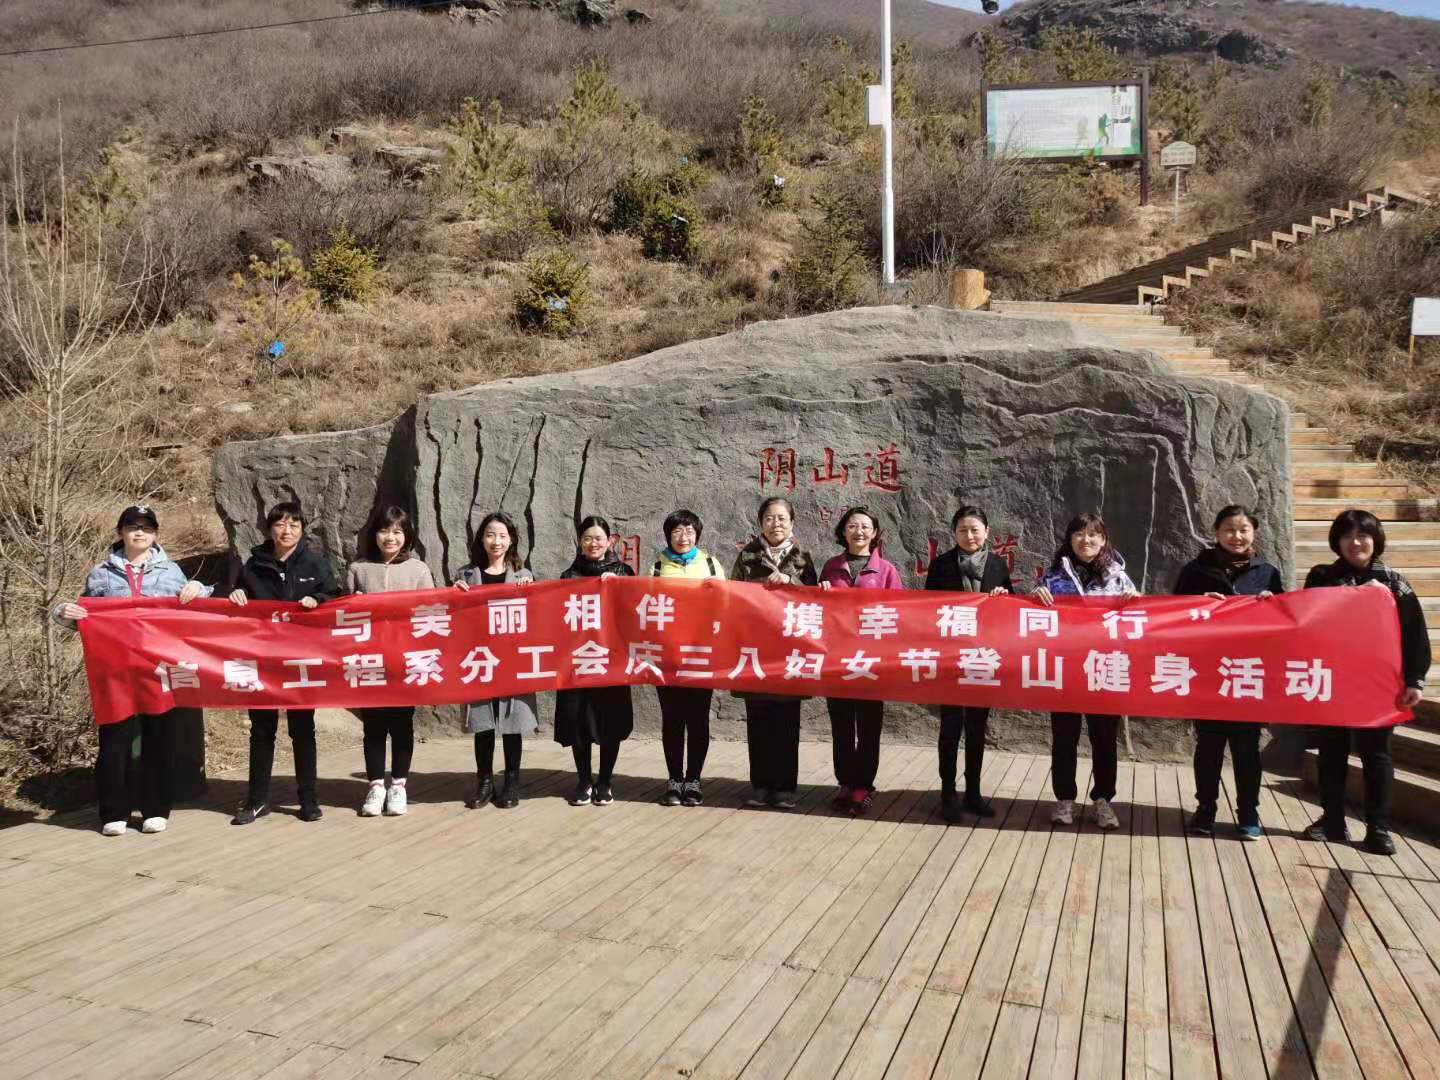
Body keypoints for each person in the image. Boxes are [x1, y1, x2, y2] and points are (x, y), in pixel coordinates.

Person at [55, 505, 210, 836]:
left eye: (146, 527)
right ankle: (114, 812)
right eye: (132, 526)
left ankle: (156, 809)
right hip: (115, 670)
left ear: (155, 534)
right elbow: (85, 616)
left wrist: (199, 587)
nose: (139, 532)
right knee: (115, 740)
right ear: (120, 532)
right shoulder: (101, 574)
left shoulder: (170, 571)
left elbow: (198, 607)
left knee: (159, 739)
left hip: (159, 668)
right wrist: (63, 612)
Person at [1303, 509, 1430, 855]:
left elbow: (1415, 635)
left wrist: (1415, 680)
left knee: (1377, 756)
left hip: (1379, 685)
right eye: (1347, 536)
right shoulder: (1321, 576)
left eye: (1363, 536)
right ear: (1337, 542)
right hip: (1332, 680)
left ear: (1376, 540)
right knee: (1331, 753)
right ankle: (1332, 820)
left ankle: (1378, 828)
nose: (1355, 543)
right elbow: (1309, 618)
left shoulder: (1394, 583)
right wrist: (1359, 596)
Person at [1174, 505, 1284, 841]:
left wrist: (1273, 603)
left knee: (1247, 749)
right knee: (1208, 747)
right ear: (1217, 533)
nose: (1236, 536)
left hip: (1248, 673)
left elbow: (1285, 623)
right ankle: (1205, 809)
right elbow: (1172, 613)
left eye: (1243, 529)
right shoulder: (1196, 570)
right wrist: (1196, 602)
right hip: (1208, 672)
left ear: (1254, 532)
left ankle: (1248, 812)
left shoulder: (1267, 573)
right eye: (1229, 530)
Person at [227, 501, 340, 825]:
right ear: (269, 529)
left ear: (302, 529)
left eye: (293, 525)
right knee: (262, 731)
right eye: (279, 524)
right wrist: (236, 594)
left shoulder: (315, 564)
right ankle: (257, 800)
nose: (286, 531)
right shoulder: (254, 565)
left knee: (303, 730)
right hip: (263, 659)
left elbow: (335, 596)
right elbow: (237, 595)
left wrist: (318, 600)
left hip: (302, 659)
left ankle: (309, 800)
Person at [1034, 511, 1140, 831]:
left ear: (1104, 540)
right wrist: (1035, 598)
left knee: (1104, 739)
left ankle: (1103, 800)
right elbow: (1034, 623)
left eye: (1093, 534)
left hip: (1104, 668)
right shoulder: (1053, 578)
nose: (1086, 540)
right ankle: (1064, 799)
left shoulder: (1119, 579)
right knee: (1064, 738)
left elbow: (1138, 621)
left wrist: (1137, 601)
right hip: (1065, 670)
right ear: (1069, 539)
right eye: (1079, 534)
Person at [924, 505, 1013, 825]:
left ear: (987, 532)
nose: (969, 535)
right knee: (950, 728)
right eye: (962, 530)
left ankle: (973, 793)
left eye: (975, 529)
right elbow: (927, 609)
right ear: (954, 533)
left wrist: (1004, 595)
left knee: (977, 728)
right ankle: (948, 793)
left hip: (983, 658)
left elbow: (1012, 609)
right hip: (951, 658)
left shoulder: (998, 564)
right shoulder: (942, 565)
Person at [731, 496, 821, 810]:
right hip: (757, 650)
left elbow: (815, 600)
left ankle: (784, 788)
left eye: (782, 518)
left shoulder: (803, 557)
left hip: (789, 652)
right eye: (769, 518)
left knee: (786, 722)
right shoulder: (747, 556)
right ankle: (760, 785)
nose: (775, 524)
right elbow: (734, 596)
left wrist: (791, 580)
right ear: (760, 523)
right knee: (758, 721)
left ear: (792, 523)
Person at [346, 505, 434, 818]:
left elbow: (430, 614)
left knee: (401, 724)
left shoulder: (418, 570)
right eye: (384, 530)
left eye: (397, 531)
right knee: (372, 725)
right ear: (374, 534)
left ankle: (398, 785)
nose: (391, 537)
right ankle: (375, 786)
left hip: (404, 660)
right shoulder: (358, 568)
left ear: (406, 535)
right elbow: (343, 617)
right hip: (369, 660)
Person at [819, 506, 902, 816]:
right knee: (841, 724)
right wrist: (821, 592)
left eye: (865, 526)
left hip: (871, 660)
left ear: (875, 533)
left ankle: (863, 786)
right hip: (838, 659)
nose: (859, 531)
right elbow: (817, 610)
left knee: (868, 726)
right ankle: (845, 782)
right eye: (852, 526)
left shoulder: (886, 570)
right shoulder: (831, 567)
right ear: (843, 532)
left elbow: (899, 613)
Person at [455, 511, 538, 810]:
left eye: (502, 536)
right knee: (483, 722)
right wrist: (455, 594)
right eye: (490, 535)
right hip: (480, 657)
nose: (496, 541)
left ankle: (511, 782)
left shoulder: (523, 575)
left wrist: (531, 591)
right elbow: (453, 617)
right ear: (481, 539)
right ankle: (485, 782)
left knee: (512, 722)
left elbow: (537, 615)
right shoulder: (465, 575)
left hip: (511, 658)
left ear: (511, 540)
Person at [556, 516, 634, 807]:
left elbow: (634, 611)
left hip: (611, 659)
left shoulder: (623, 572)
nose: (593, 543)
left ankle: (605, 781)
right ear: (580, 541)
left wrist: (619, 587)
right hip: (578, 660)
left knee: (609, 721)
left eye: (599, 538)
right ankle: (583, 780)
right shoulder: (568, 576)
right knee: (579, 721)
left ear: (609, 541)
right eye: (587, 538)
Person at [651, 509, 726, 807]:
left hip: (701, 654)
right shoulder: (657, 567)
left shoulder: (710, 564)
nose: (683, 537)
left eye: (689, 531)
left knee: (697, 719)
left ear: (697, 535)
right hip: (667, 655)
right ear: (668, 535)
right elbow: (647, 608)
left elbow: (726, 605)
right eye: (677, 531)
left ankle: (693, 780)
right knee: (671, 719)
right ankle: (674, 780)